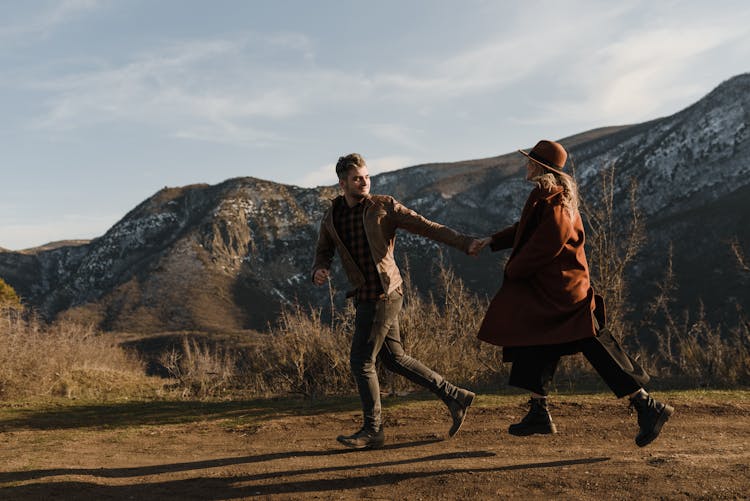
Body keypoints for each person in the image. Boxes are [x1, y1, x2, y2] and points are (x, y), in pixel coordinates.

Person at [473, 140, 673, 447]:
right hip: (555, 290)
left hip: (564, 293)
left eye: (530, 161)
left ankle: (648, 405)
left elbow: (548, 241)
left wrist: (514, 270)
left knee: (596, 345)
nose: (525, 165)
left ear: (540, 168)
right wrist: (492, 240)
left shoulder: (554, 200)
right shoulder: (548, 196)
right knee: (537, 340)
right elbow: (526, 229)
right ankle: (539, 411)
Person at [312, 153, 479, 450]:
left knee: (361, 361)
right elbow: (324, 248)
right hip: (365, 294)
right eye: (356, 178)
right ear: (342, 183)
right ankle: (455, 396)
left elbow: (426, 226)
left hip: (385, 293)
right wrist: (319, 268)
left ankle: (373, 430)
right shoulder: (332, 216)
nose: (364, 182)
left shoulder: (383, 206)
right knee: (394, 358)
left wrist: (465, 242)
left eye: (366, 177)